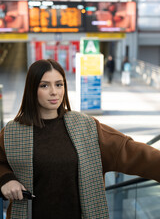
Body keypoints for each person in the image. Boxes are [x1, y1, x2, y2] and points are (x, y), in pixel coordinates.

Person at [0, 59, 160, 219]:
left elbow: (131, 152)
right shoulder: (13, 132)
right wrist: (6, 179)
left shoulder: (86, 127)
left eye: (59, 84)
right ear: (32, 89)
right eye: (44, 85)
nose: (54, 92)